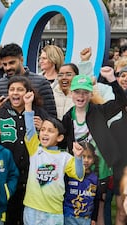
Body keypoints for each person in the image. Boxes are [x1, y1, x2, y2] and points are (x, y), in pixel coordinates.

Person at [62, 69, 127, 225]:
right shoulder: (67, 117)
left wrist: (112, 79)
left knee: (100, 210)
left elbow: (122, 101)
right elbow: (63, 143)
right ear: (71, 93)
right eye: (77, 92)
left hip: (102, 170)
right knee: (79, 208)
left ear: (91, 95)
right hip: (80, 170)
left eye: (85, 93)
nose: (81, 96)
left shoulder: (100, 111)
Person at [0, 75, 50, 225]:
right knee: (9, 215)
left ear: (28, 93)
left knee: (29, 216)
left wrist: (43, 126)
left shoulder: (38, 113)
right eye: (12, 89)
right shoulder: (0, 113)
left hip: (31, 175)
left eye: (20, 89)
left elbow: (51, 135)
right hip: (8, 174)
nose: (15, 93)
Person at [23, 91, 84, 225]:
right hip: (32, 209)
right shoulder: (35, 149)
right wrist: (28, 105)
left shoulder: (65, 158)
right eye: (43, 129)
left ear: (60, 137)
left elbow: (79, 174)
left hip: (53, 212)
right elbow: (30, 130)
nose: (45, 133)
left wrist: (78, 158)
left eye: (50, 131)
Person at [0, 43, 56, 118]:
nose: (8, 68)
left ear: (21, 60)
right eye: (4, 64)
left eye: (11, 63)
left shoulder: (41, 82)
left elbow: (52, 116)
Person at [64, 141, 99, 225]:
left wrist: (94, 218)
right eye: (83, 157)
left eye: (89, 157)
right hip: (68, 217)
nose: (86, 160)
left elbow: (96, 200)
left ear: (94, 159)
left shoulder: (95, 178)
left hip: (86, 219)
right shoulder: (69, 175)